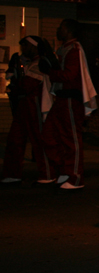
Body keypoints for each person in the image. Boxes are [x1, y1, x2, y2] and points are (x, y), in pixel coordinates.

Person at [39, 19, 98, 190]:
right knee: (50, 135)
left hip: (71, 99)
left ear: (69, 31)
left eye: (61, 28)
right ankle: (65, 170)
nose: (58, 30)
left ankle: (76, 177)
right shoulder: (65, 49)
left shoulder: (74, 50)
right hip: (61, 99)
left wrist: (50, 72)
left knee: (71, 139)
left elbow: (69, 76)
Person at [1, 36, 54, 184]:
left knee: (39, 139)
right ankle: (12, 173)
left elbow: (28, 85)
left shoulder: (40, 63)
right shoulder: (31, 63)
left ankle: (47, 173)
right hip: (25, 105)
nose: (23, 49)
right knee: (15, 139)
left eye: (25, 46)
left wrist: (15, 87)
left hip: (34, 104)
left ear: (33, 47)